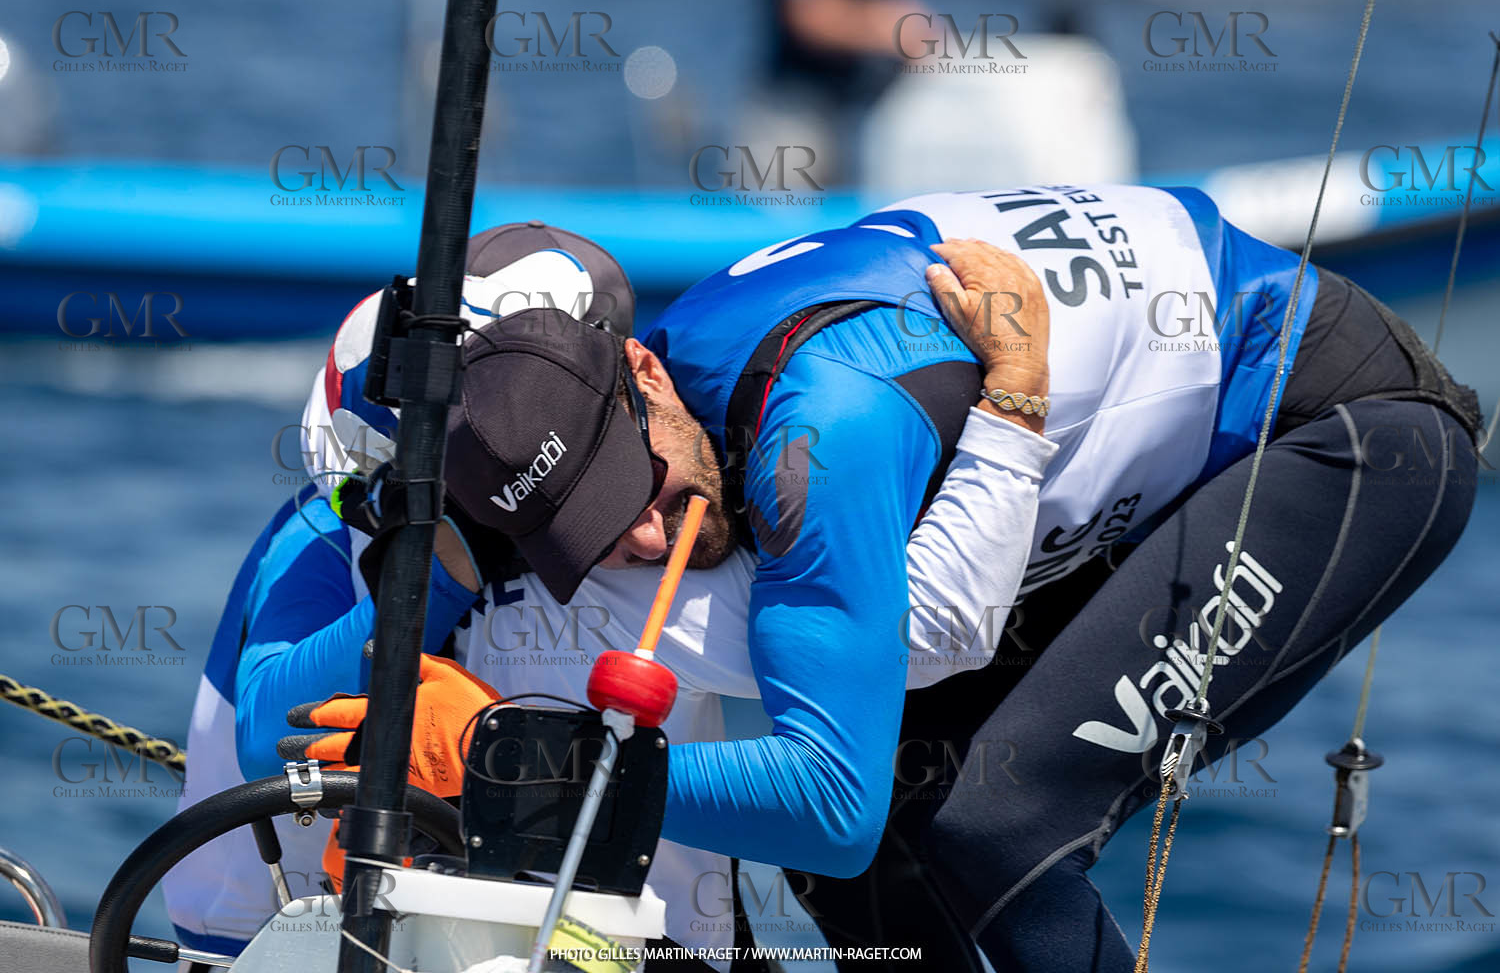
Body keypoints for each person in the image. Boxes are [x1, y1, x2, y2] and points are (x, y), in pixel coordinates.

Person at [293, 184, 1481, 972]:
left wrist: (508, 758)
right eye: (591, 538)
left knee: (990, 820)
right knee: (885, 851)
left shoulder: (824, 431)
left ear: (645, 375)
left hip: (1349, 432)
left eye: (639, 498)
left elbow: (831, 799)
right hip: (1112, 459)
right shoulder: (641, 414)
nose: (645, 544)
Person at [162, 222, 1052, 971]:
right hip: (270, 939)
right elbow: (269, 734)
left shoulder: (660, 487)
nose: (633, 537)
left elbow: (870, 695)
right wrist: (445, 565)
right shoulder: (333, 525)